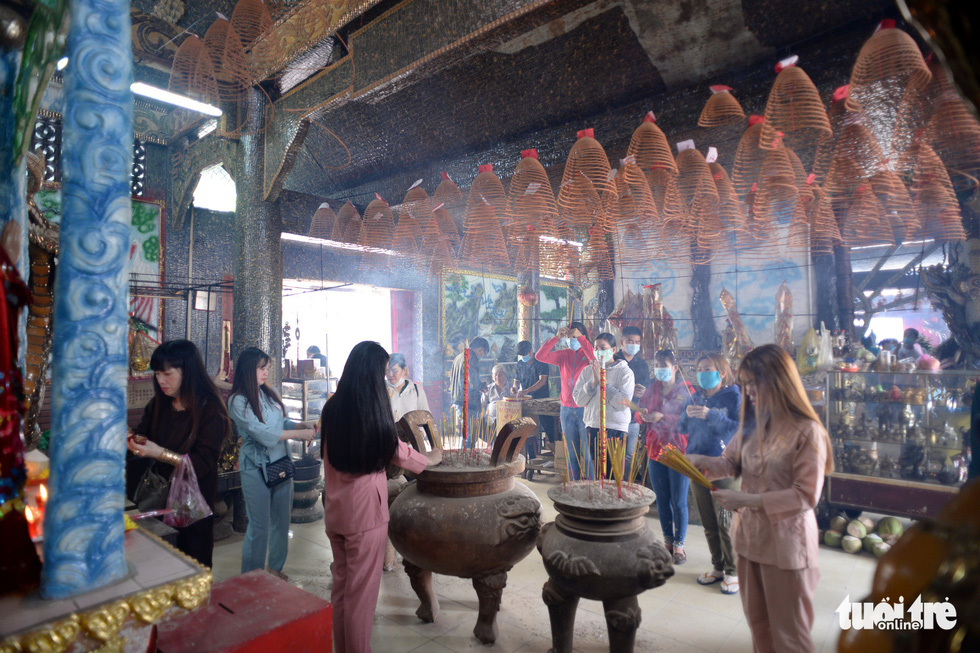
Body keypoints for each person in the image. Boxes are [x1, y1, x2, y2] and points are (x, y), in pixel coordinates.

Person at [687, 344, 832, 653]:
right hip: (750, 541)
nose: (749, 390)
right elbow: (729, 463)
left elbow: (805, 496)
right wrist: (695, 460)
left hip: (785, 545)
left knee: (789, 637)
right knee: (760, 629)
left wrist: (745, 500)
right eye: (746, 382)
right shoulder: (753, 426)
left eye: (755, 382)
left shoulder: (807, 431)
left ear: (780, 381)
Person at [320, 341, 442, 652]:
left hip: (336, 510)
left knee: (342, 589)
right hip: (365, 517)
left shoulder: (332, 408)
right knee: (361, 596)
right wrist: (430, 460)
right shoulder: (372, 411)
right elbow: (401, 454)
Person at [127, 340, 233, 567]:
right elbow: (143, 435)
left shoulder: (211, 410)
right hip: (157, 496)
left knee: (192, 561)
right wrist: (131, 441)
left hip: (193, 503)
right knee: (159, 560)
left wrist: (159, 452)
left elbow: (203, 462)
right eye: (156, 373)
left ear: (188, 372)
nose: (160, 380)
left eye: (167, 373)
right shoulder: (159, 404)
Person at [229, 347, 317, 578]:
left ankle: (275, 568)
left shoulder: (270, 393)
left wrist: (301, 425)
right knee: (259, 527)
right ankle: (251, 577)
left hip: (281, 464)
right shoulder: (238, 401)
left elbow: (282, 422)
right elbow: (263, 433)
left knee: (281, 522)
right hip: (255, 468)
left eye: (267, 368)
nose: (266, 372)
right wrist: (298, 436)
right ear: (248, 369)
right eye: (262, 368)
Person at [677, 352, 742, 594]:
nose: (702, 373)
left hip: (724, 465)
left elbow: (740, 429)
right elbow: (682, 427)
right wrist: (686, 413)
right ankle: (718, 566)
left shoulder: (734, 397)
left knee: (726, 521)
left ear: (722, 372)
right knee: (708, 522)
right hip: (696, 466)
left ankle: (733, 571)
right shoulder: (695, 397)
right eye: (699, 369)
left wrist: (710, 414)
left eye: (707, 368)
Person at [636, 349, 695, 565]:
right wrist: (641, 414)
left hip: (679, 452)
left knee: (679, 501)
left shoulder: (687, 390)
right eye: (657, 366)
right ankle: (667, 542)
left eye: (664, 366)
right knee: (662, 500)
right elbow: (639, 414)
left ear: (675, 368)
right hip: (655, 450)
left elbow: (690, 418)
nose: (660, 370)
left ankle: (679, 545)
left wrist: (664, 416)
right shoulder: (652, 390)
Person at [536, 322, 595, 480]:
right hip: (566, 409)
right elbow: (539, 356)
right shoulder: (563, 354)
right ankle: (573, 487)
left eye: (574, 335)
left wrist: (581, 339)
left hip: (585, 408)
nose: (572, 338)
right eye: (570, 335)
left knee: (587, 453)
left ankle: (591, 488)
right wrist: (556, 337)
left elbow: (595, 359)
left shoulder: (587, 353)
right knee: (572, 452)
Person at [572, 333, 634, 481]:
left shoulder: (625, 372)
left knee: (613, 474)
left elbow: (623, 404)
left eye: (602, 348)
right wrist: (592, 383)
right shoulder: (588, 371)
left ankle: (614, 503)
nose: (598, 351)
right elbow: (578, 400)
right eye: (596, 348)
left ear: (613, 349)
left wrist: (603, 382)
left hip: (615, 427)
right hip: (592, 425)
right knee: (595, 473)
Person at [620, 326, 650, 479]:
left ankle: (624, 486)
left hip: (633, 416)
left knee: (629, 455)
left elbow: (648, 388)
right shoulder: (614, 360)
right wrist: (630, 389)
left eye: (637, 342)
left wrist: (643, 392)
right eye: (630, 341)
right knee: (612, 453)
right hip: (615, 417)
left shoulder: (642, 365)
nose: (633, 344)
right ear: (622, 342)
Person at [514, 340, 555, 445]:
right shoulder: (519, 364)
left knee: (547, 423)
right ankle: (532, 455)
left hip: (541, 399)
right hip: (527, 400)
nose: (523, 357)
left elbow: (542, 381)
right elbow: (516, 381)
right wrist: (514, 388)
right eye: (521, 355)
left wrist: (526, 390)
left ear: (531, 351)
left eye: (525, 354)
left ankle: (555, 447)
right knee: (528, 427)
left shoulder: (541, 361)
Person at [449, 337, 490, 442]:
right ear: (481, 349)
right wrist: (482, 386)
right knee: (470, 437)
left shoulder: (458, 357)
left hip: (458, 399)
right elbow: (473, 381)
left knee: (467, 434)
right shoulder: (471, 357)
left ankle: (465, 456)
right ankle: (467, 458)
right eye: (483, 353)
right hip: (468, 402)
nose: (481, 356)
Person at [385, 352, 429, 421]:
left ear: (404, 370)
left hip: (413, 431)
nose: (390, 374)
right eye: (387, 371)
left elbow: (426, 417)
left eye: (394, 370)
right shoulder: (381, 390)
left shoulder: (416, 390)